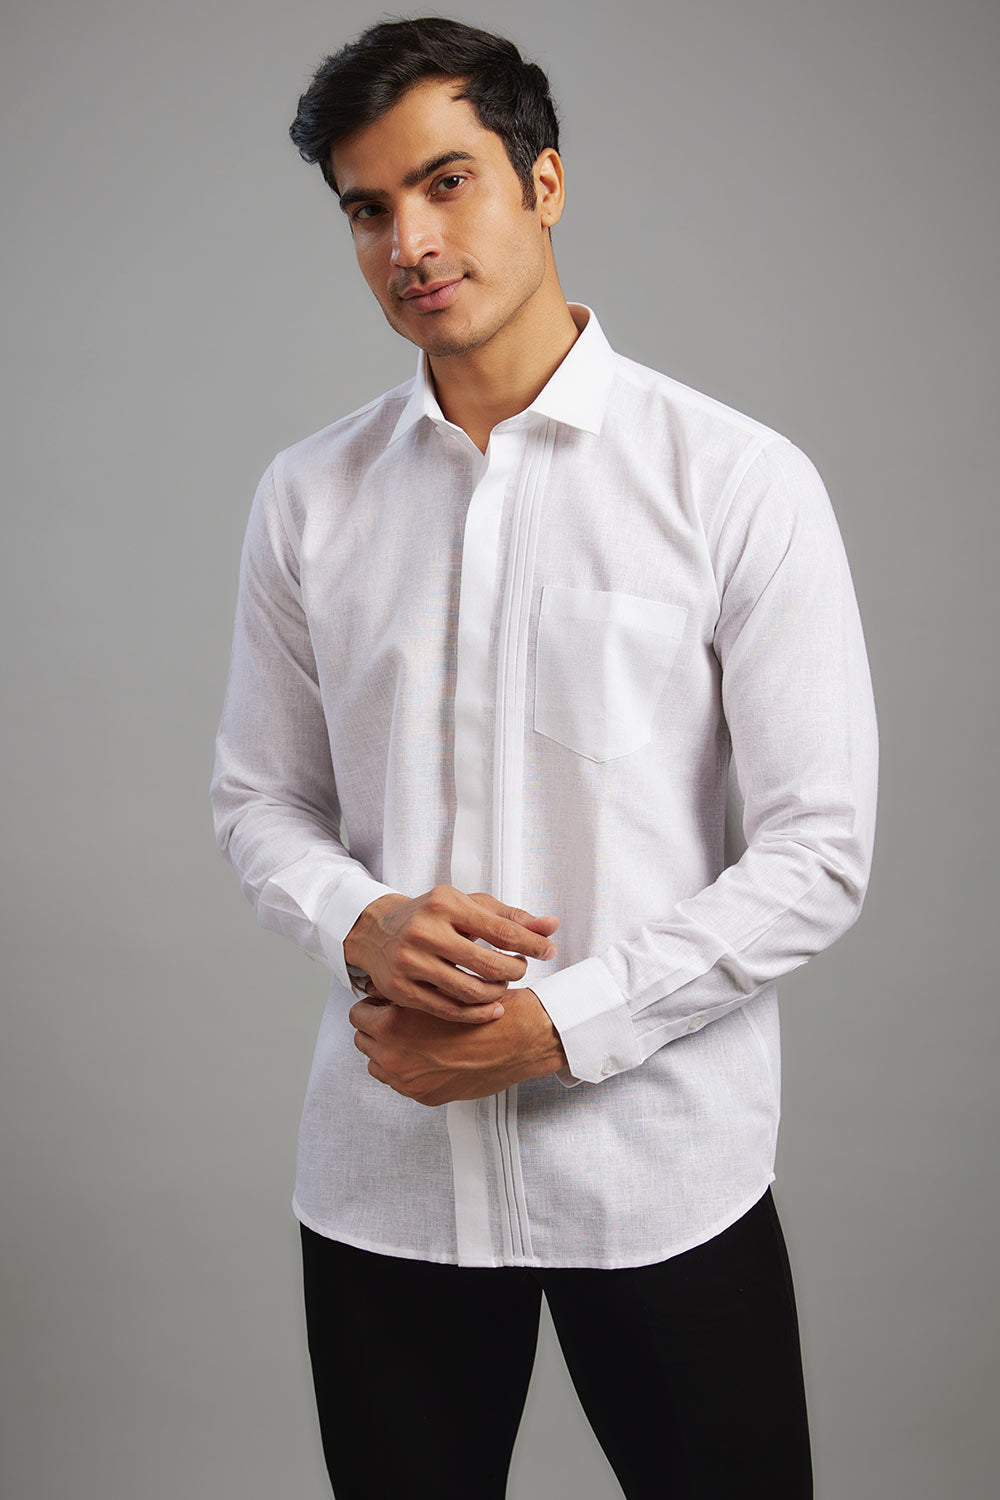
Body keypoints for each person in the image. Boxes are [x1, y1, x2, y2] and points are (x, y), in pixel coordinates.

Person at [209, 16, 878, 1499]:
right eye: (369, 209)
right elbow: (262, 798)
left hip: (660, 1177)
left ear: (546, 181)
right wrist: (361, 919)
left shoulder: (737, 483)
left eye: (446, 182)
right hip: (385, 1186)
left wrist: (558, 1026)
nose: (409, 242)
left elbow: (818, 852)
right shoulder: (308, 498)